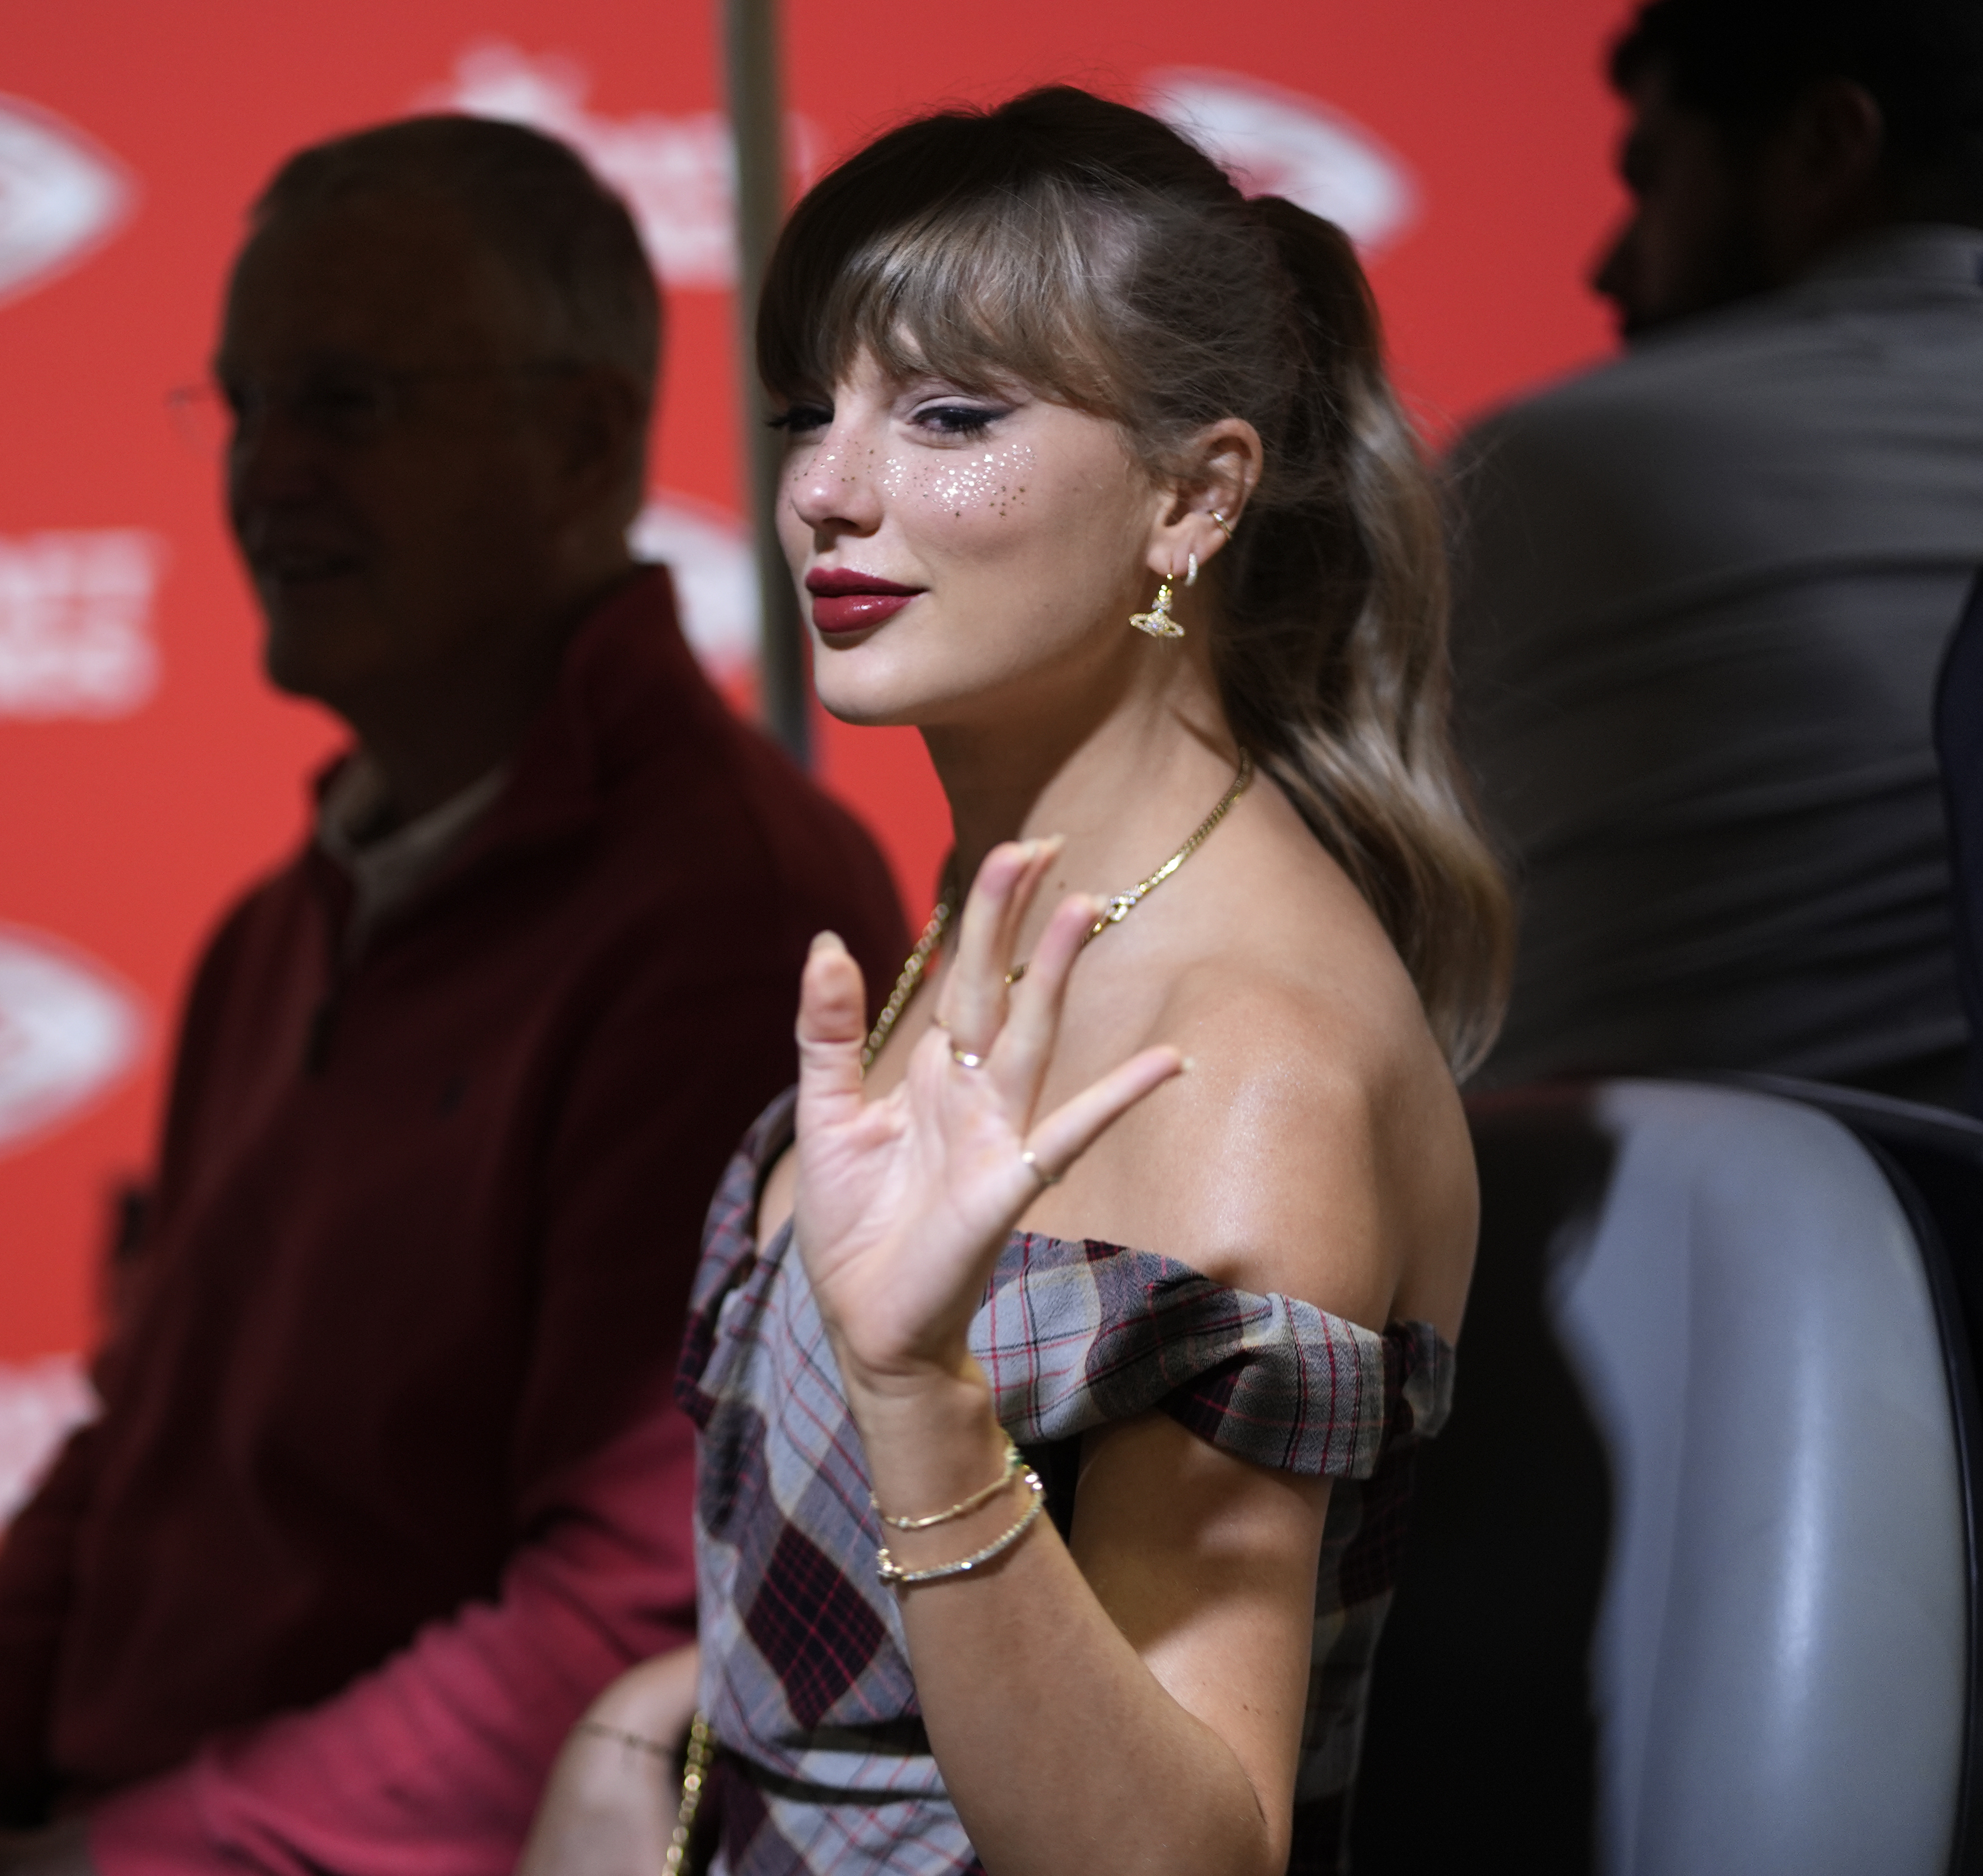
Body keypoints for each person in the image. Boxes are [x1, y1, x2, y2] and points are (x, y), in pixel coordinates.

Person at [0, 118, 910, 1876]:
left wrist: (85, 1867)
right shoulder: (277, 928)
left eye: (344, 403)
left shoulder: (731, 918)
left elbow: (619, 1632)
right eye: (242, 402)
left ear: (579, 439)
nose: (262, 474)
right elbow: (140, 1443)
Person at [519, 87, 1510, 1876]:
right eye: (808, 414)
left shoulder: (1243, 1063)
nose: (823, 487)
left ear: (1192, 498)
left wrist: (914, 1399)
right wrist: (644, 1729)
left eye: (947, 417)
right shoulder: (1016, 913)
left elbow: (1182, 1855)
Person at [1451, 0, 1983, 1105]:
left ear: (1826, 148)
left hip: (1625, 1248)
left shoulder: (1557, 458)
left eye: (1650, 181)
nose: (1610, 268)